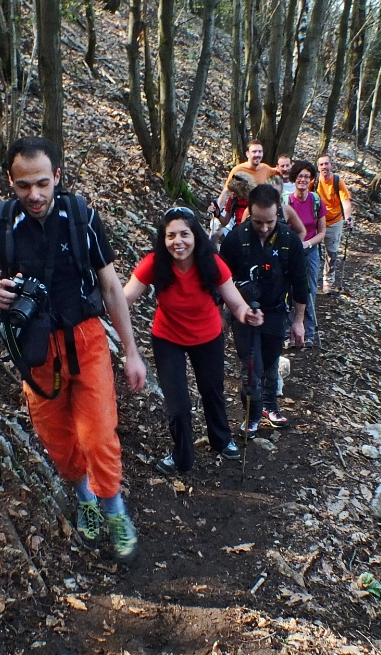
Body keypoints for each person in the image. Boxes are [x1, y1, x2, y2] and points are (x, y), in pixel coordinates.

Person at [0, 137, 146, 563]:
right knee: (55, 435)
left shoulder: (82, 219)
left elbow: (110, 286)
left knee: (99, 432)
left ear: (56, 177)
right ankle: (84, 497)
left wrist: (130, 350)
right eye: (22, 186)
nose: (33, 195)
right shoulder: (1, 224)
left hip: (85, 337)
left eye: (41, 184)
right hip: (33, 347)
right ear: (11, 183)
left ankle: (114, 510)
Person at [123, 208, 263, 475]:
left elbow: (235, 302)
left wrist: (247, 314)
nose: (178, 241)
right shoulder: (154, 263)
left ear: (196, 235)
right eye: (171, 235)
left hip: (207, 336)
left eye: (184, 234)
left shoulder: (211, 262)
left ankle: (221, 440)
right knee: (178, 404)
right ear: (163, 240)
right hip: (167, 337)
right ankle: (181, 455)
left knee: (212, 391)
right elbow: (124, 297)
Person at [219, 184, 308, 434]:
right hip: (243, 314)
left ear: (279, 213)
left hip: (276, 312)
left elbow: (301, 282)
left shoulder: (290, 240)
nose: (265, 228)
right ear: (249, 212)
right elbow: (218, 279)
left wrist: (299, 321)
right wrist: (221, 315)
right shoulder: (235, 239)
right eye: (258, 222)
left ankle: (270, 404)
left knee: (269, 363)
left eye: (270, 221)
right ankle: (252, 412)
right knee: (251, 367)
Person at [284, 160, 325, 344]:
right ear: (294, 178)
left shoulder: (316, 201)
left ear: (311, 179)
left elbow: (322, 232)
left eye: (307, 176)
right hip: (289, 252)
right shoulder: (286, 201)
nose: (303, 179)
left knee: (309, 290)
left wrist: (307, 244)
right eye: (300, 176)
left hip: (309, 251)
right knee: (286, 290)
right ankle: (287, 332)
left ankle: (307, 334)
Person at [316, 154, 353, 293]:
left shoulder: (338, 181)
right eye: (321, 164)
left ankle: (328, 282)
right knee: (313, 250)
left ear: (331, 165)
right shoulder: (313, 182)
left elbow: (346, 202)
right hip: (317, 221)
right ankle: (313, 277)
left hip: (335, 221)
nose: (324, 167)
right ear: (318, 167)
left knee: (331, 252)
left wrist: (348, 218)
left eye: (327, 164)